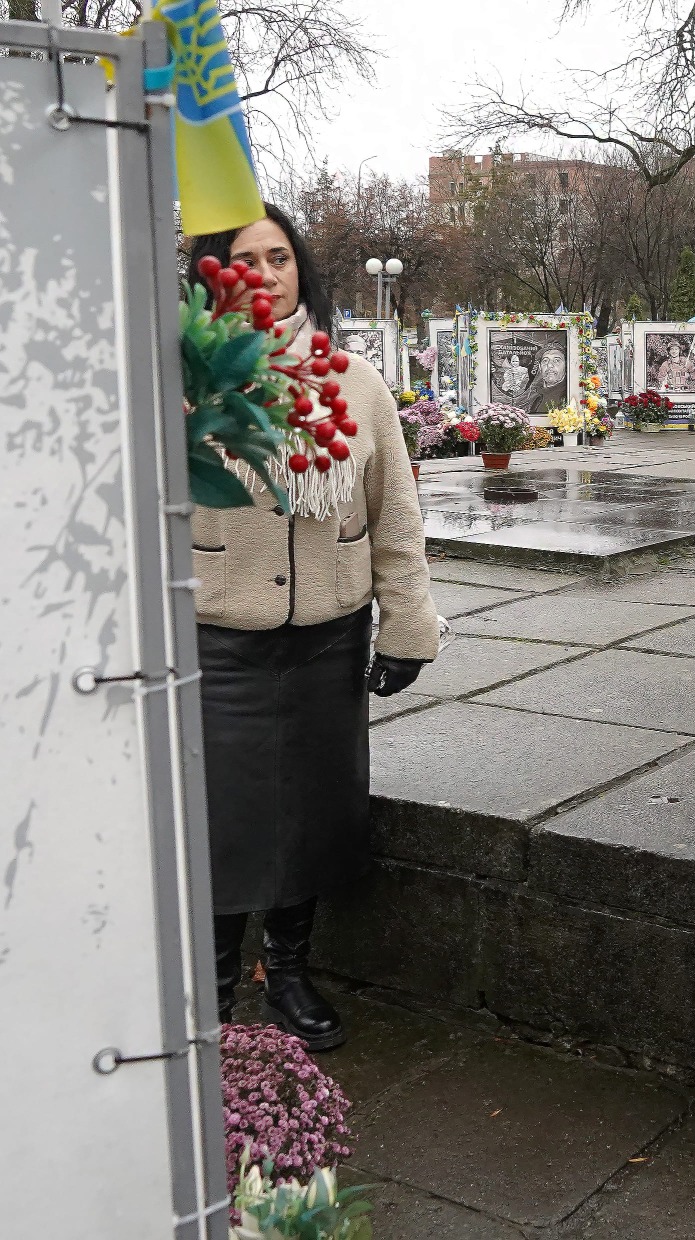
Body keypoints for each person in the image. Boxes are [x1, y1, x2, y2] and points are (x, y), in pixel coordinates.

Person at [188, 204, 439, 1051]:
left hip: (328, 639)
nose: (267, 274)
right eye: (245, 260)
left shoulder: (354, 382)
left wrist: (407, 627)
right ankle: (211, 993)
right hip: (219, 641)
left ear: (302, 269)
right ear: (213, 278)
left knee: (311, 815)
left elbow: (394, 513)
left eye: (280, 257)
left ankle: (288, 971)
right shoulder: (180, 381)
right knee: (223, 823)